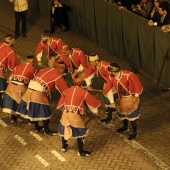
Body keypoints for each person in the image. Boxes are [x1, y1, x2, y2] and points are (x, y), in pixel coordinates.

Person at [16, 67, 68, 135]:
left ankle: (37, 127)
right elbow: (65, 91)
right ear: (61, 69)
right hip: (38, 93)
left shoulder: (44, 69)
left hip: (29, 90)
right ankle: (47, 130)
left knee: (33, 110)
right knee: (45, 111)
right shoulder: (58, 75)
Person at [57, 85, 101, 156]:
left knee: (64, 129)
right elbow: (92, 103)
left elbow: (61, 104)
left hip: (65, 113)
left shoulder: (67, 90)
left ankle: (64, 146)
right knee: (80, 133)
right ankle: (80, 152)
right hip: (74, 116)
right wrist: (95, 111)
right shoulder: (84, 92)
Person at [104, 63, 143, 140]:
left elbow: (137, 86)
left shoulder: (129, 75)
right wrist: (112, 102)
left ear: (114, 71)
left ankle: (134, 132)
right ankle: (125, 127)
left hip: (131, 97)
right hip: (121, 98)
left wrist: (136, 97)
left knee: (132, 117)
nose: (109, 73)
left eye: (110, 72)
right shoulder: (112, 77)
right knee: (123, 114)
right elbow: (108, 89)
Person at [3, 55, 37, 123]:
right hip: (20, 87)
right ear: (31, 61)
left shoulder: (17, 67)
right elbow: (34, 82)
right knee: (26, 101)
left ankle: (13, 117)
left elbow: (9, 78)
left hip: (11, 85)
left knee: (12, 102)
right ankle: (30, 120)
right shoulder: (34, 70)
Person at [84, 53, 117, 124]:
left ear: (96, 61)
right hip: (107, 82)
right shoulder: (94, 66)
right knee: (107, 98)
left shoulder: (106, 67)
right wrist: (88, 85)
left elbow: (113, 78)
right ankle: (110, 114)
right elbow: (88, 73)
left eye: (91, 62)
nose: (90, 64)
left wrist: (112, 87)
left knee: (110, 99)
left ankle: (111, 113)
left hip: (114, 83)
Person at [0, 34, 19, 110]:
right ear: (11, 41)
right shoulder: (10, 52)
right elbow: (14, 67)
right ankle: (1, 106)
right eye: (14, 41)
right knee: (1, 90)